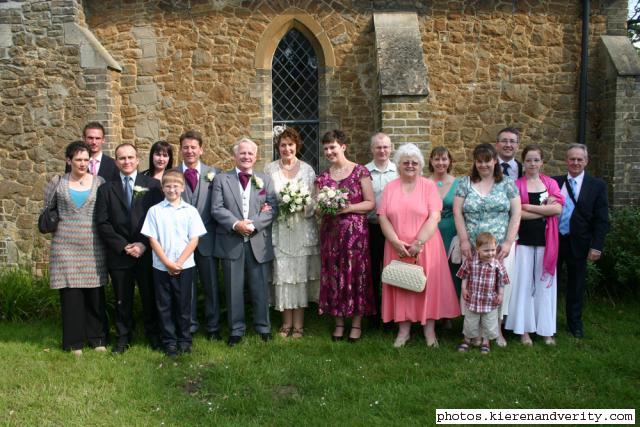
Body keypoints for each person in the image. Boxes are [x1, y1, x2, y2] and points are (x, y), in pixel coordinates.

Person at [379, 143, 460, 348]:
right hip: (397, 246)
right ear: (398, 165)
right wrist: (395, 241)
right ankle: (403, 332)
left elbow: (434, 216)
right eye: (406, 162)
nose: (410, 165)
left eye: (414, 162)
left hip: (426, 246)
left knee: (428, 288)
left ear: (421, 165)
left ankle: (429, 331)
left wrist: (419, 242)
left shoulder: (428, 186)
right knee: (402, 285)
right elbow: (383, 217)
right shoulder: (390, 187)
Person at [95, 143, 163, 353]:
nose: (126, 161)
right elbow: (102, 222)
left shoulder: (152, 186)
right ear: (116, 162)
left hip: (145, 252)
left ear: (137, 159)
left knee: (149, 297)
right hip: (120, 254)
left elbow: (158, 218)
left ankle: (153, 335)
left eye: (130, 157)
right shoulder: (106, 188)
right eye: (122, 158)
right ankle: (123, 337)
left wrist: (143, 243)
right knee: (122, 299)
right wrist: (123, 246)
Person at [212, 138, 278, 347]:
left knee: (260, 287)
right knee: (233, 288)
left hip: (257, 240)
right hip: (232, 241)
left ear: (256, 156)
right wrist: (235, 224)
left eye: (250, 153)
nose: (246, 156)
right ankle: (236, 329)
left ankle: (263, 327)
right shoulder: (222, 179)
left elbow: (271, 207)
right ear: (235, 156)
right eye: (242, 153)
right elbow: (217, 208)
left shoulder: (264, 180)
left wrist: (254, 225)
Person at [453, 143, 521, 347]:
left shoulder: (507, 183)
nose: (483, 165)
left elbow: (516, 213)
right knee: (473, 287)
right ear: (475, 162)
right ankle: (472, 332)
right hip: (473, 248)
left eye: (487, 160)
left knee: (498, 288)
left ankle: (495, 330)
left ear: (494, 161)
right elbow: (458, 212)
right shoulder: (465, 183)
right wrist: (464, 240)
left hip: (498, 249)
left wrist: (508, 242)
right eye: (479, 161)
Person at [45, 141, 108, 356]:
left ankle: (97, 338)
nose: (82, 163)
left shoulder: (99, 182)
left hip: (93, 246)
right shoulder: (57, 181)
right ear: (68, 160)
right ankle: (74, 343)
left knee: (95, 295)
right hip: (65, 247)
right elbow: (48, 209)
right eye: (78, 159)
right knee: (71, 296)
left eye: (86, 159)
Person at [316, 129, 376, 342]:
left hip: (355, 236)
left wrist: (347, 207)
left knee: (355, 275)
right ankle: (339, 323)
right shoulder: (322, 177)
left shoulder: (360, 172)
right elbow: (318, 207)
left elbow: (370, 203)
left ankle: (357, 324)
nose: (329, 152)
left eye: (332, 147)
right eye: (326, 149)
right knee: (334, 276)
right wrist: (325, 206)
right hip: (331, 236)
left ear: (343, 146)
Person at [141, 170, 207, 356]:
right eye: (168, 186)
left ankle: (184, 339)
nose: (172, 190)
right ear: (162, 188)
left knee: (183, 304)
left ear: (183, 188)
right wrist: (167, 262)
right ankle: (169, 340)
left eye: (176, 186)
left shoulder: (190, 211)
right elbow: (152, 239)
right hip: (161, 267)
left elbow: (194, 239)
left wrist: (178, 262)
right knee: (164, 304)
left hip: (185, 266)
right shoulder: (155, 211)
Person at [264, 127, 320, 338]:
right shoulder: (269, 170)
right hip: (280, 229)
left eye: (290, 145)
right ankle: (285, 323)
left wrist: (302, 205)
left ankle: (299, 324)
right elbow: (265, 199)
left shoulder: (307, 170)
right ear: (278, 147)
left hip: (303, 229)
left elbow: (315, 200)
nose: (287, 149)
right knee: (284, 274)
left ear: (297, 146)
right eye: (283, 145)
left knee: (300, 275)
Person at [506, 144, 564, 346]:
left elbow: (557, 210)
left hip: (547, 242)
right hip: (523, 242)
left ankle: (546, 330)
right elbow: (515, 213)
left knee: (545, 285)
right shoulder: (516, 184)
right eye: (529, 160)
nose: (532, 164)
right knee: (523, 286)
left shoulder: (551, 184)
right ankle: (524, 331)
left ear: (542, 162)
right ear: (524, 162)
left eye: (536, 160)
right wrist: (542, 209)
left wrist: (528, 207)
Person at [553, 143, 609, 339]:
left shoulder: (597, 186)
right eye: (572, 159)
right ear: (566, 160)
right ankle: (547, 322)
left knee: (576, 286)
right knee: (550, 284)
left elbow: (602, 219)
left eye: (579, 159)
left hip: (580, 243)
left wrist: (596, 245)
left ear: (586, 161)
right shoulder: (554, 182)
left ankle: (574, 324)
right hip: (555, 241)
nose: (575, 162)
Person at [176, 130, 223, 340]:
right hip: (181, 241)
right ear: (181, 150)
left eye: (193, 147)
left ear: (201, 149)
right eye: (185, 147)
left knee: (211, 284)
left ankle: (213, 326)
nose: (190, 151)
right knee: (187, 286)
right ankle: (190, 325)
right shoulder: (173, 174)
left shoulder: (215, 174)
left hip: (208, 239)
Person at [456, 232, 510, 354]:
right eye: (486, 251)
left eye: (493, 250)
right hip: (473, 298)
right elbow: (464, 275)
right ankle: (467, 340)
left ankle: (486, 342)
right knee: (470, 322)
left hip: (490, 300)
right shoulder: (471, 262)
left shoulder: (497, 264)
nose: (490, 253)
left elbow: (502, 281)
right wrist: (464, 288)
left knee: (489, 322)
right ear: (477, 249)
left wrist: (500, 295)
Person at [365, 132, 398, 329]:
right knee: (372, 273)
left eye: (385, 146)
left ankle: (391, 315)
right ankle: (374, 314)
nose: (382, 150)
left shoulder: (398, 171)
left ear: (391, 148)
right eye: (378, 147)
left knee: (391, 272)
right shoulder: (364, 172)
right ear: (372, 149)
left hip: (394, 230)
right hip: (371, 228)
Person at [427, 146, 462, 297]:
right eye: (437, 159)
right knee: (432, 270)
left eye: (444, 159)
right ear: (431, 161)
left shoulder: (459, 183)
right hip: (430, 232)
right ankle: (433, 309)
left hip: (452, 232)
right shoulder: (423, 182)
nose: (440, 162)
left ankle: (450, 314)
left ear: (450, 161)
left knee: (451, 270)